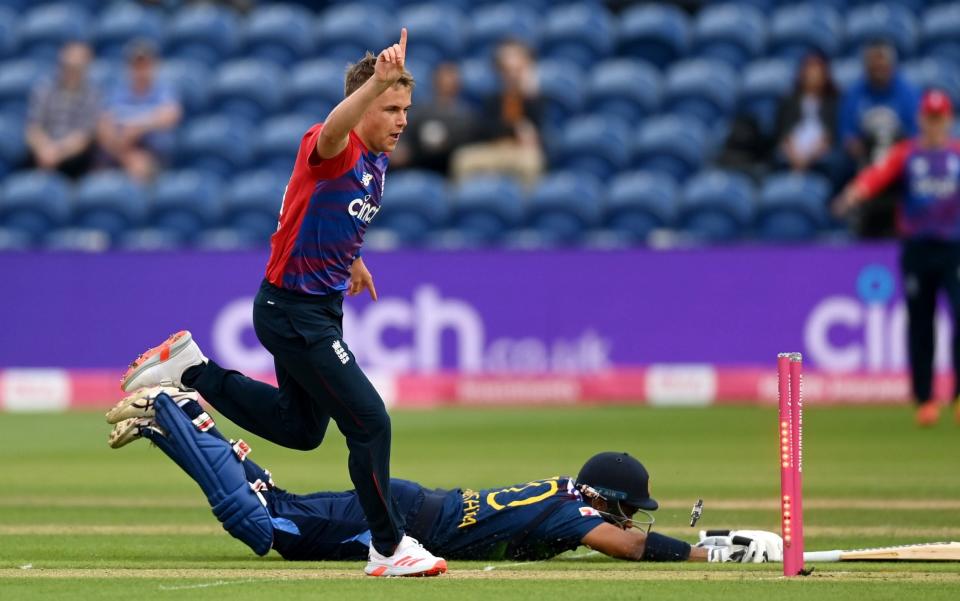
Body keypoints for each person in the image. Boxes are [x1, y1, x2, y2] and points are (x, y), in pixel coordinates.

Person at [119, 29, 447, 577]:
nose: (402, 119)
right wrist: (373, 87)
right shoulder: (333, 147)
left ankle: (190, 371)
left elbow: (337, 216)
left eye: (406, 108)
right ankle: (388, 548)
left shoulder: (375, 162)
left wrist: (355, 261)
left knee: (302, 429)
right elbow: (336, 127)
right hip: (292, 312)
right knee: (370, 423)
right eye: (391, 106)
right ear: (363, 103)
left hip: (313, 309)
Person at [105, 387, 783, 567]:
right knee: (262, 524)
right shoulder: (569, 513)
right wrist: (708, 549)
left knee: (274, 506)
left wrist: (724, 537)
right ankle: (177, 404)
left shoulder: (567, 498)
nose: (630, 519)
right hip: (406, 521)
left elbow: (627, 535)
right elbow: (631, 546)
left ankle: (170, 423)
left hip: (415, 508)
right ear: (603, 497)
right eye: (627, 507)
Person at [834, 90, 960, 427]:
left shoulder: (957, 153)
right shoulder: (907, 154)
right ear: (921, 119)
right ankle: (925, 400)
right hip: (917, 249)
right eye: (929, 119)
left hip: (954, 248)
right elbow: (877, 175)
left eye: (940, 118)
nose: (934, 125)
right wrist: (853, 193)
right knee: (921, 324)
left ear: (948, 120)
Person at [838, 40, 920, 238]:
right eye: (873, 65)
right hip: (865, 157)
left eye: (882, 64)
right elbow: (846, 133)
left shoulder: (907, 92)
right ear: (866, 66)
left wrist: (894, 155)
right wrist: (857, 147)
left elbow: (916, 134)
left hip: (900, 159)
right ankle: (858, 226)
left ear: (891, 65)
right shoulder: (855, 93)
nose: (878, 69)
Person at [451, 39, 545, 188]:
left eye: (517, 69)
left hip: (520, 152)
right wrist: (514, 128)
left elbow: (539, 135)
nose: (512, 75)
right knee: (462, 159)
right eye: (507, 70)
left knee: (531, 163)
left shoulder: (536, 99)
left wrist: (529, 94)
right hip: (494, 149)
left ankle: (527, 207)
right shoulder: (493, 99)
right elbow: (484, 130)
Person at [97, 39, 182, 181]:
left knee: (139, 168)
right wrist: (123, 154)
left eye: (145, 65)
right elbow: (103, 124)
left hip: (153, 155)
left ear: (154, 66)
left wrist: (136, 129)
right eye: (137, 66)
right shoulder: (117, 92)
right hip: (118, 154)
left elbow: (170, 115)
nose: (141, 70)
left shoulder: (163, 90)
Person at [24, 41, 100, 179]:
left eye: (77, 67)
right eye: (68, 65)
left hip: (72, 157)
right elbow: (33, 128)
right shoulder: (44, 88)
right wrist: (44, 149)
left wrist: (57, 152)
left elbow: (84, 137)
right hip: (42, 152)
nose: (71, 71)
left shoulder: (92, 94)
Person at [391, 62, 476, 176]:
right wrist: (401, 146)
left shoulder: (467, 114)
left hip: (450, 164)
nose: (447, 82)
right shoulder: (421, 109)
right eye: (443, 77)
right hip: (418, 161)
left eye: (451, 77)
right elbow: (405, 132)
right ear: (435, 80)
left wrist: (447, 143)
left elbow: (470, 144)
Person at [774, 52, 843, 189]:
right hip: (792, 151)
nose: (813, 75)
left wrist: (810, 156)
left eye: (817, 71)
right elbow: (783, 133)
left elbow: (831, 135)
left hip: (820, 152)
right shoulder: (789, 101)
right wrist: (793, 155)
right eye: (809, 70)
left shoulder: (834, 103)